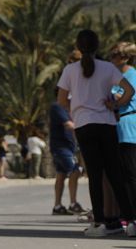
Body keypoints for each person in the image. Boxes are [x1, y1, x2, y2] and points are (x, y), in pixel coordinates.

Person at [57, 29, 135, 237]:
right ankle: (131, 221)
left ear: (79, 47)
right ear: (97, 46)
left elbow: (61, 100)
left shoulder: (70, 70)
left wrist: (76, 108)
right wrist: (115, 104)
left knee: (95, 175)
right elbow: (129, 91)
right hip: (107, 124)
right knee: (115, 173)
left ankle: (99, 222)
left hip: (84, 125)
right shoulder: (108, 68)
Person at [108, 41, 136, 230]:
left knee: (130, 175)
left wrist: (107, 86)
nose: (111, 58)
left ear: (125, 57)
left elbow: (121, 96)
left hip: (128, 126)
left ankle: (131, 215)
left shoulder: (130, 75)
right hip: (123, 125)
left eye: (115, 54)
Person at [49, 94, 82, 214]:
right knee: (75, 170)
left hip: (67, 147)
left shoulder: (68, 109)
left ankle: (57, 206)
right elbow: (68, 125)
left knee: (61, 174)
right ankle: (73, 203)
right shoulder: (58, 107)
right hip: (61, 147)